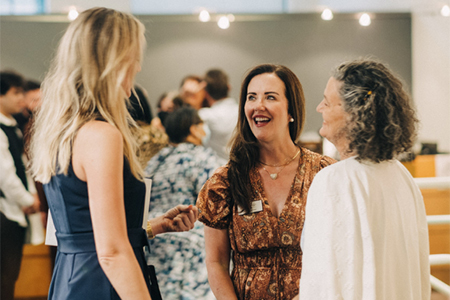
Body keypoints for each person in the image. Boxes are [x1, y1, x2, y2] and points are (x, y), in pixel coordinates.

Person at [29, 8, 197, 300]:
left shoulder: (63, 131)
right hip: (102, 282)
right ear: (114, 60)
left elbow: (83, 228)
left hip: (72, 277)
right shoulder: (100, 135)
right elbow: (112, 253)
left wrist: (153, 227)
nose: (139, 66)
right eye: (135, 55)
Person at [196, 64, 335, 300]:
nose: (258, 105)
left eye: (270, 97)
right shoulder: (225, 181)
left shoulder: (324, 173)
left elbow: (339, 254)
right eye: (252, 97)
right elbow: (216, 262)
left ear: (291, 109)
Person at [297, 59, 430, 300]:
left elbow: (321, 277)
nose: (319, 108)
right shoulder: (402, 176)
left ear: (353, 113)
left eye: (327, 102)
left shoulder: (333, 181)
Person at [145, 106, 225, 300]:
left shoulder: (154, 162)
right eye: (200, 124)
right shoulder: (203, 159)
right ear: (193, 129)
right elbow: (217, 203)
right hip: (190, 244)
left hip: (153, 240)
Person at [0, 71, 40, 300]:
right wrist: (27, 200)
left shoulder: (12, 127)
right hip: (5, 213)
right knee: (4, 278)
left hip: (14, 212)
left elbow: (23, 167)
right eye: (15, 93)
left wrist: (32, 196)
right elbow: (4, 175)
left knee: (9, 277)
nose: (20, 99)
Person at [198, 68, 239, 160]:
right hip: (242, 168)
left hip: (215, 170)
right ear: (229, 87)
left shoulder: (205, 115)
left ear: (205, 93)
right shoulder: (244, 112)